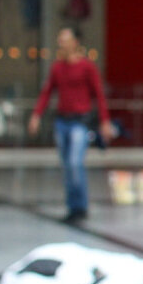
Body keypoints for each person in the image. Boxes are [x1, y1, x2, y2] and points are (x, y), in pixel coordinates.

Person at [28, 26, 114, 223]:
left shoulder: (87, 67)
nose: (61, 44)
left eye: (65, 40)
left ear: (75, 42)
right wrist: (36, 115)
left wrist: (105, 120)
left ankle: (81, 206)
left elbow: (99, 95)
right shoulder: (57, 67)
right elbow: (47, 92)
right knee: (67, 166)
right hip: (62, 121)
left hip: (79, 122)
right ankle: (72, 207)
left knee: (75, 164)